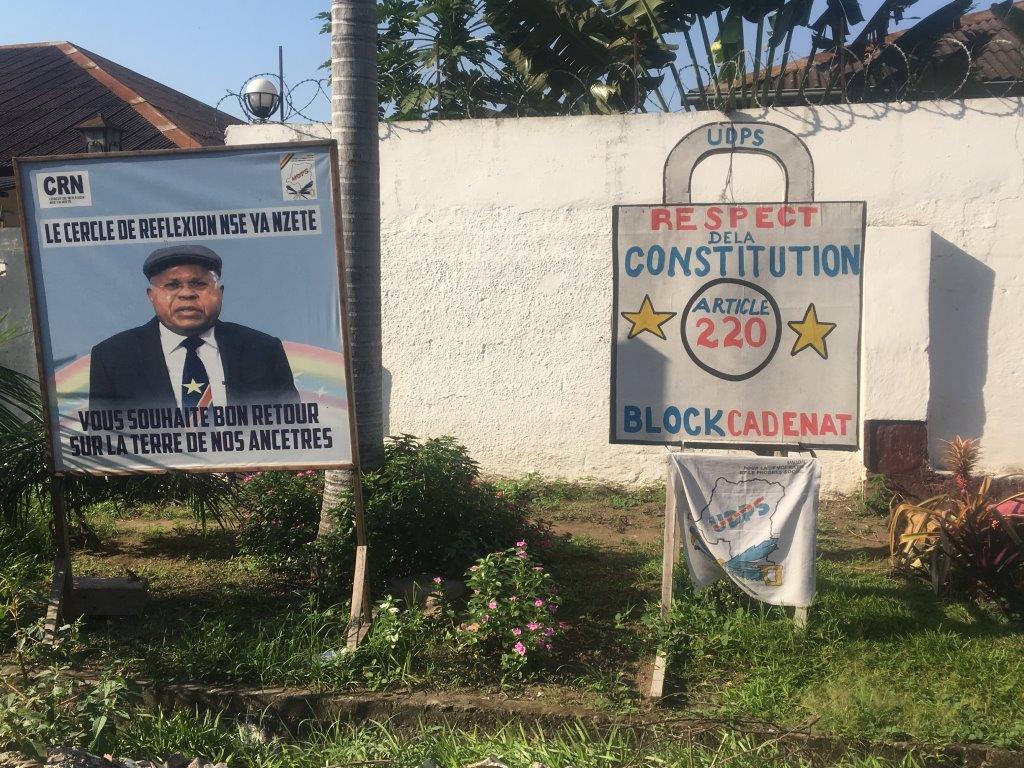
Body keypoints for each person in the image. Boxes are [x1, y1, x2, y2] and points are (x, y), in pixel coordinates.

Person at [88, 244, 299, 411]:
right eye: (172, 285)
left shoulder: (263, 350)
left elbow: (295, 427)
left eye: (199, 284)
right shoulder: (112, 357)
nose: (186, 294)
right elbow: (106, 444)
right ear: (151, 296)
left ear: (220, 293)